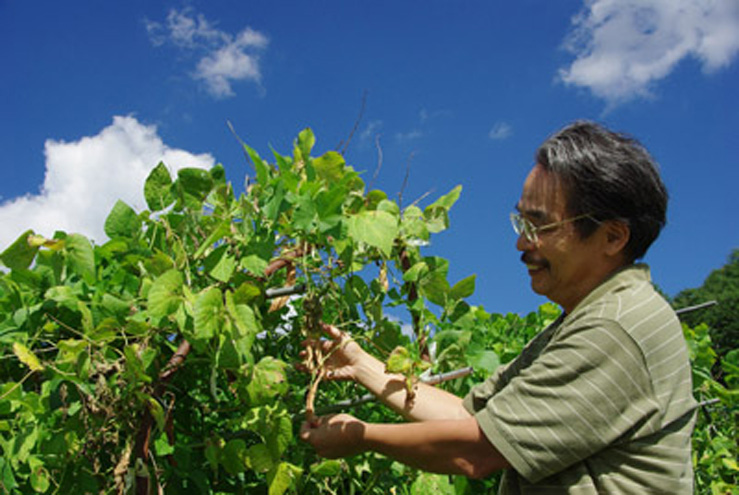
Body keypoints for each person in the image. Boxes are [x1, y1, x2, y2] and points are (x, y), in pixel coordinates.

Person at [299, 121, 698, 494]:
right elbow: (467, 419)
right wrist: (362, 365)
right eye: (520, 223)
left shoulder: (615, 327)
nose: (521, 244)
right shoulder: (587, 319)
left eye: (539, 226)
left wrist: (361, 437)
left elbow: (476, 450)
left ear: (612, 237)